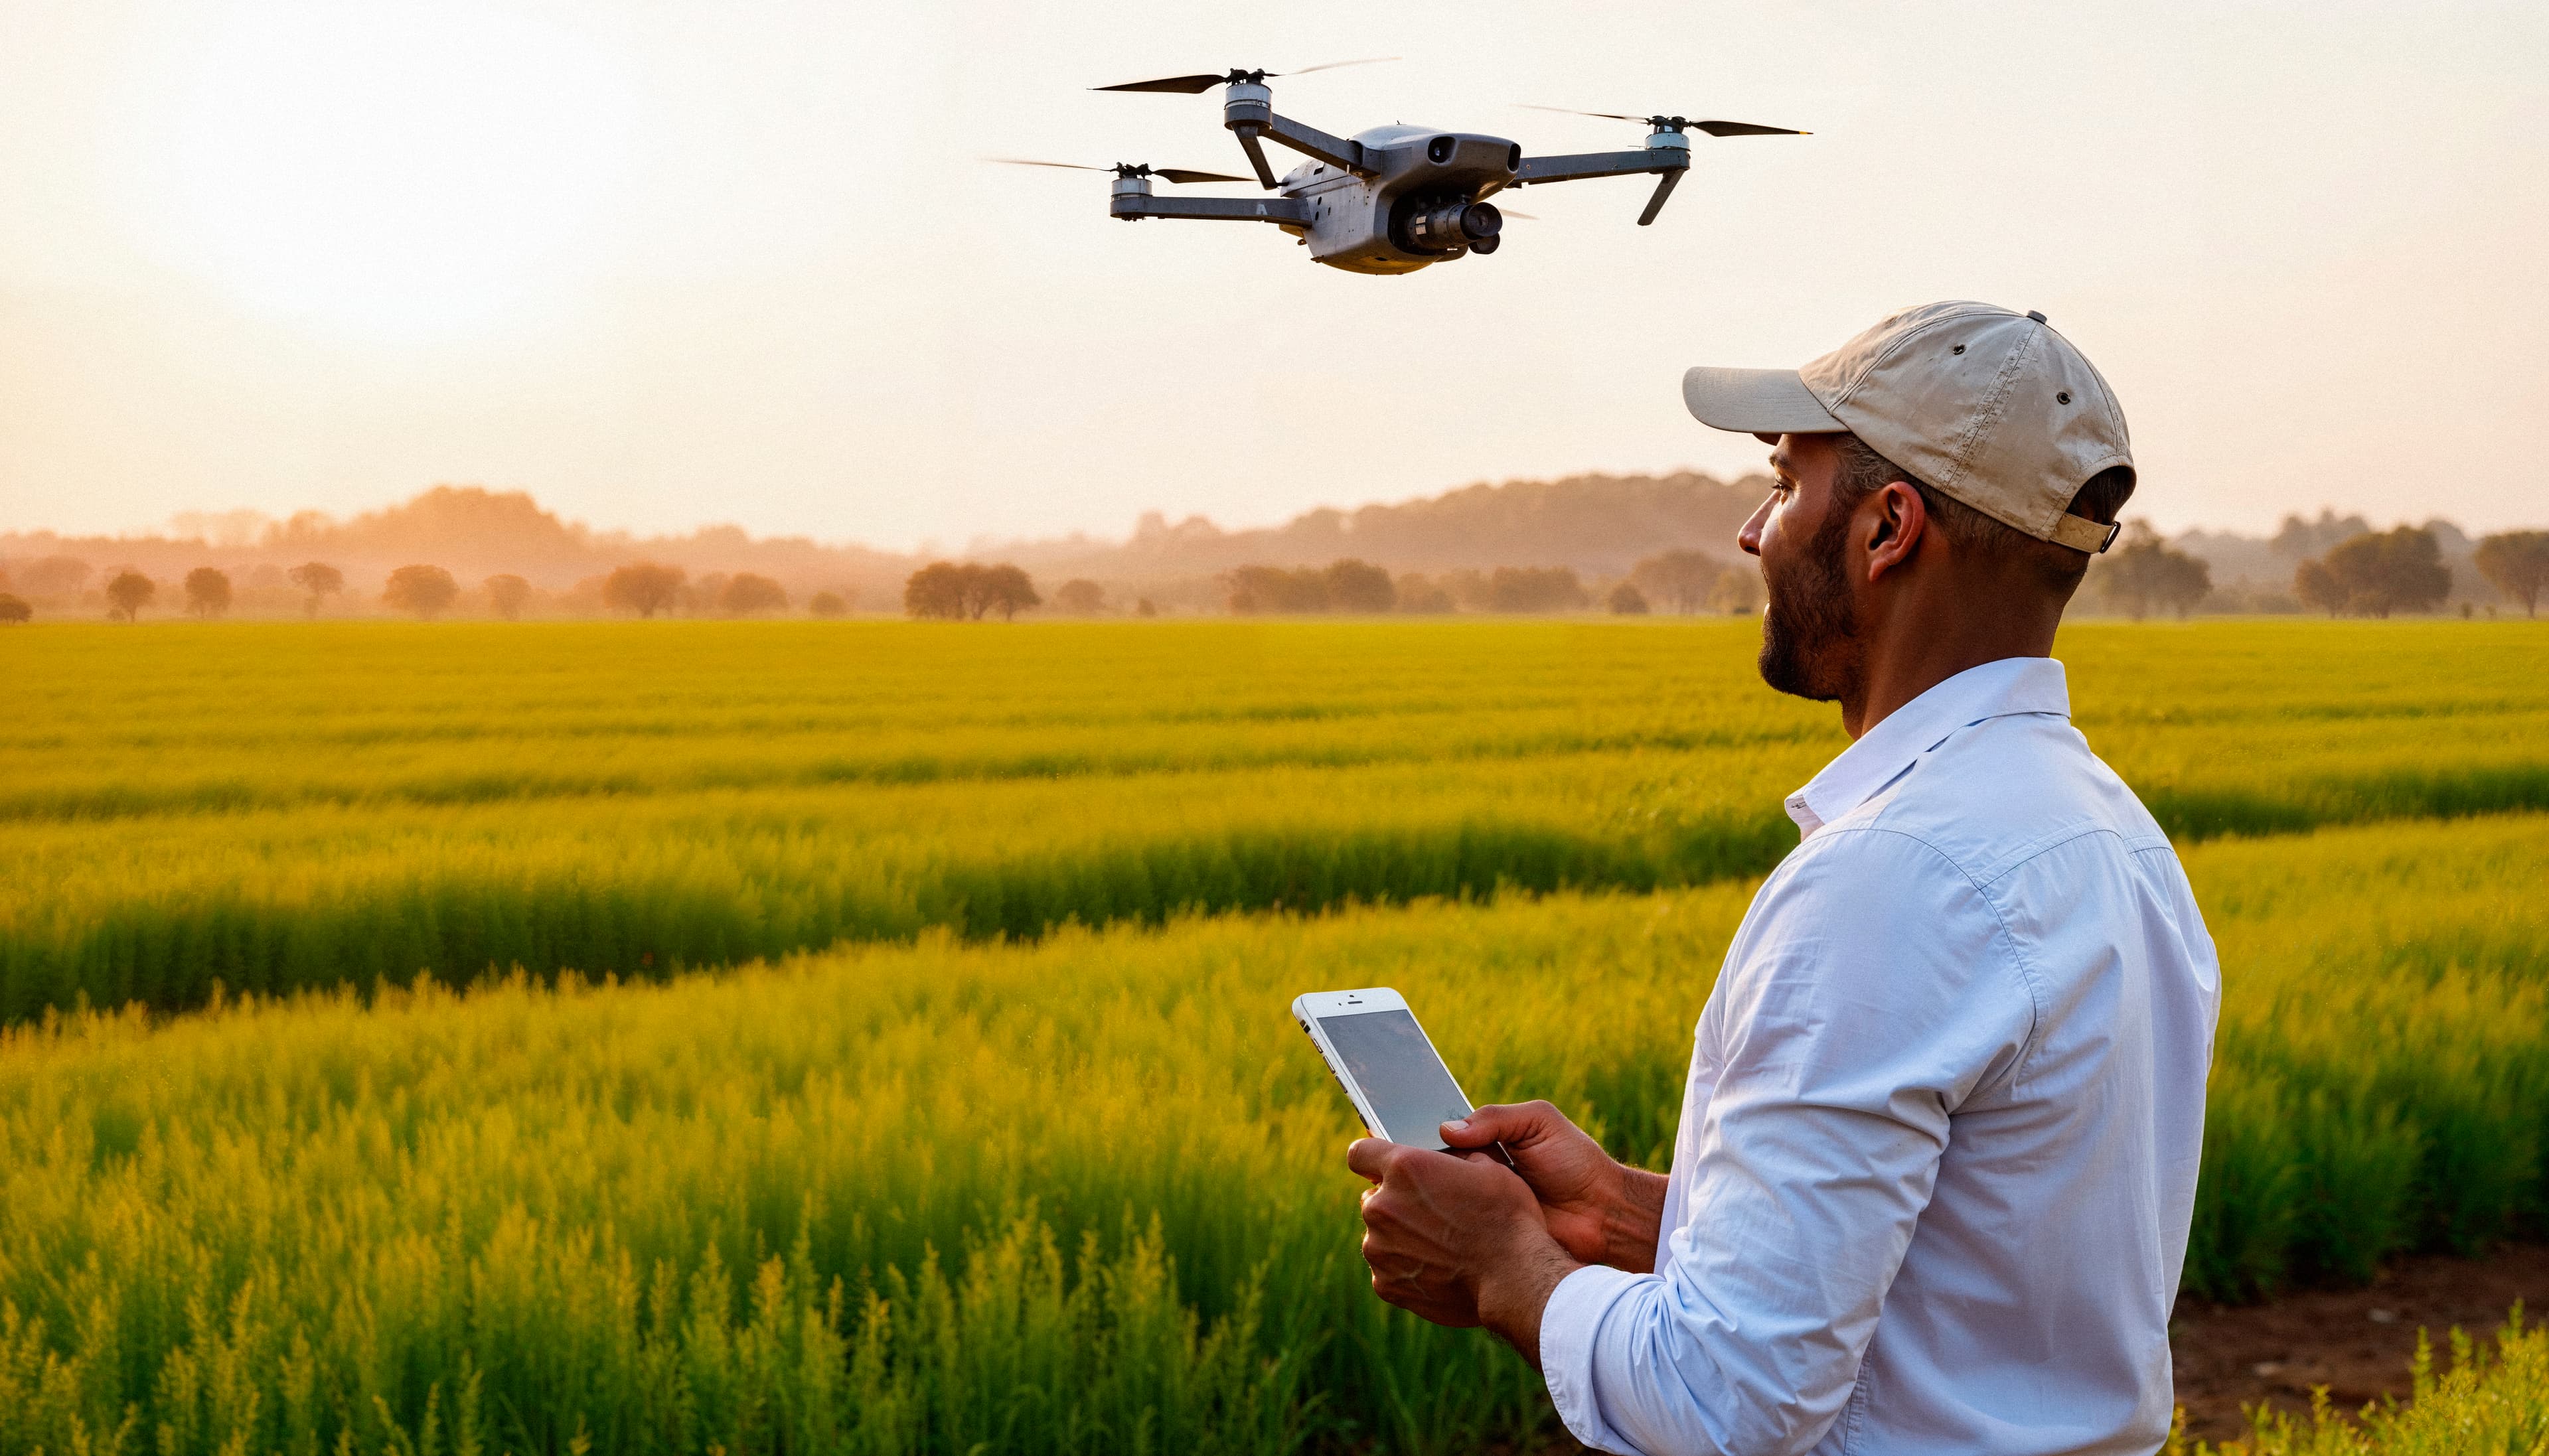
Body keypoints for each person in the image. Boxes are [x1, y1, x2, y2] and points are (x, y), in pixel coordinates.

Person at [1346, 301, 2222, 1455]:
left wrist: (1504, 1262)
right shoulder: (2115, 836)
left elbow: (1727, 1402)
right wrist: (1626, 1212)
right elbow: (1969, 1277)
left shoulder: (1888, 883)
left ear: (1887, 527)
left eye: (1783, 483)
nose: (1752, 532)